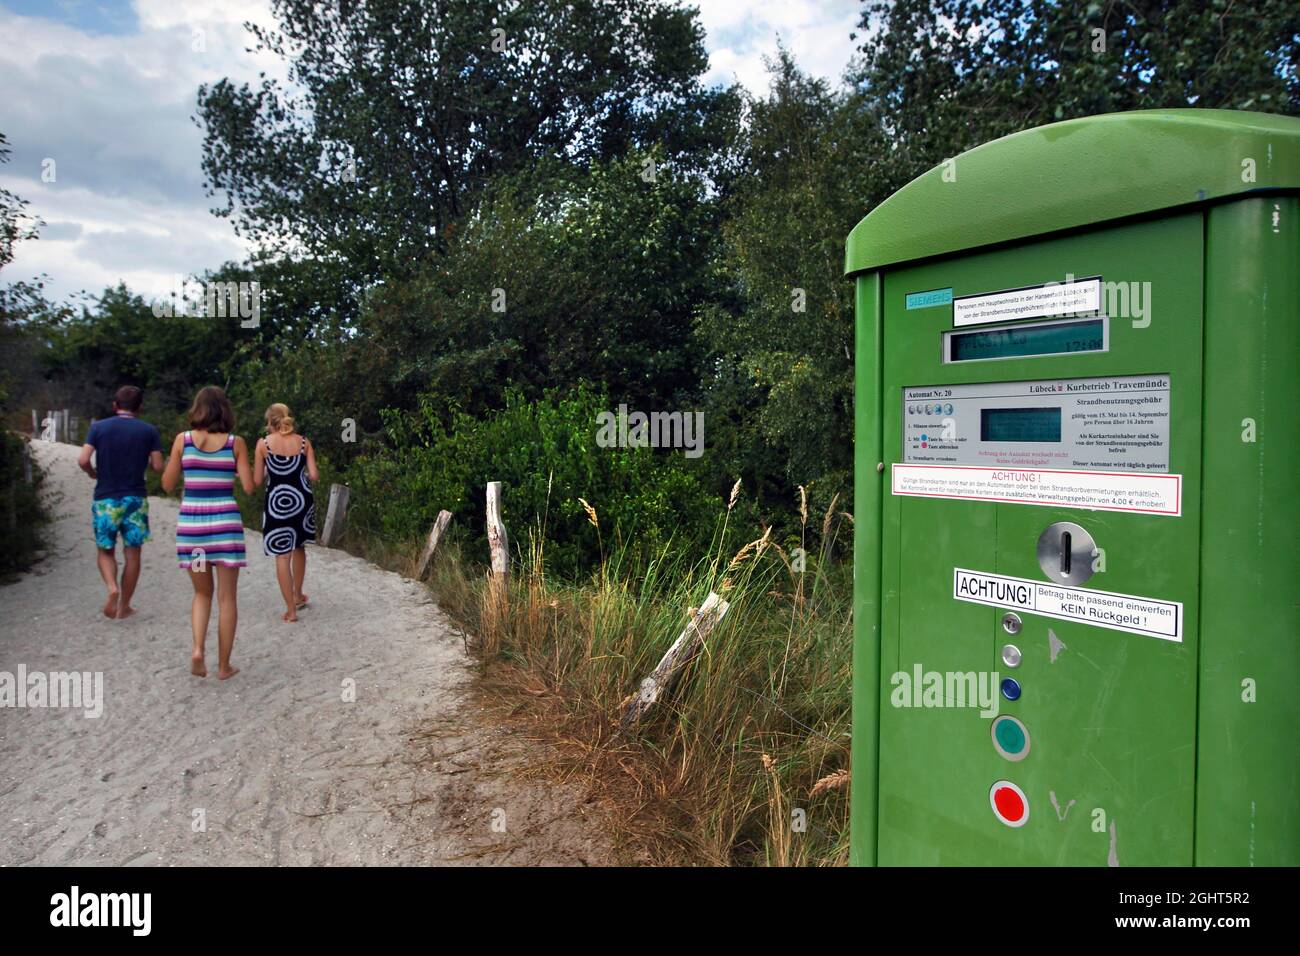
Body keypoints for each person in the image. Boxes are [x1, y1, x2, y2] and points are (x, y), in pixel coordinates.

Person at [162, 386, 253, 680]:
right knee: (227, 598)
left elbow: (167, 484)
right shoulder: (235, 443)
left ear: (197, 408)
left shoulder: (182, 440)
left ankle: (198, 649)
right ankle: (224, 666)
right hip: (224, 526)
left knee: (202, 594)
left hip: (194, 528)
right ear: (224, 410)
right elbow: (250, 487)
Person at [78, 385, 164, 620]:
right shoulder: (149, 431)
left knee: (105, 549)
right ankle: (124, 606)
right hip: (135, 497)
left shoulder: (98, 428)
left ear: (115, 406)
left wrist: (93, 473)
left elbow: (83, 459)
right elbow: (158, 466)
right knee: (133, 552)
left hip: (106, 497)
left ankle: (111, 588)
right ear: (140, 407)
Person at [253, 403, 319, 622]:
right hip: (302, 500)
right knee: (299, 547)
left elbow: (257, 480)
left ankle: (290, 610)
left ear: (269, 422)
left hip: (276, 502)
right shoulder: (303, 442)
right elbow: (315, 475)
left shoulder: (263, 445)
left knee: (282, 555)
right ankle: (298, 594)